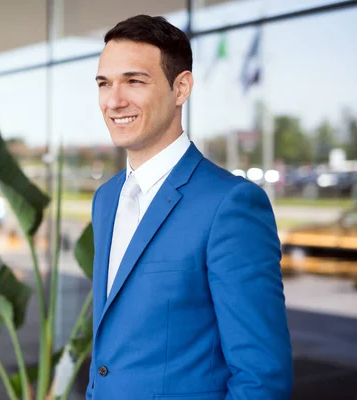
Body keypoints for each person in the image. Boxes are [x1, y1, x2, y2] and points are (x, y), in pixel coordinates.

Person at [87, 15, 293, 400]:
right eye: (104, 83)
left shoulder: (230, 205)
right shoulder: (106, 199)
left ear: (180, 88)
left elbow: (262, 377)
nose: (114, 100)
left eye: (134, 81)